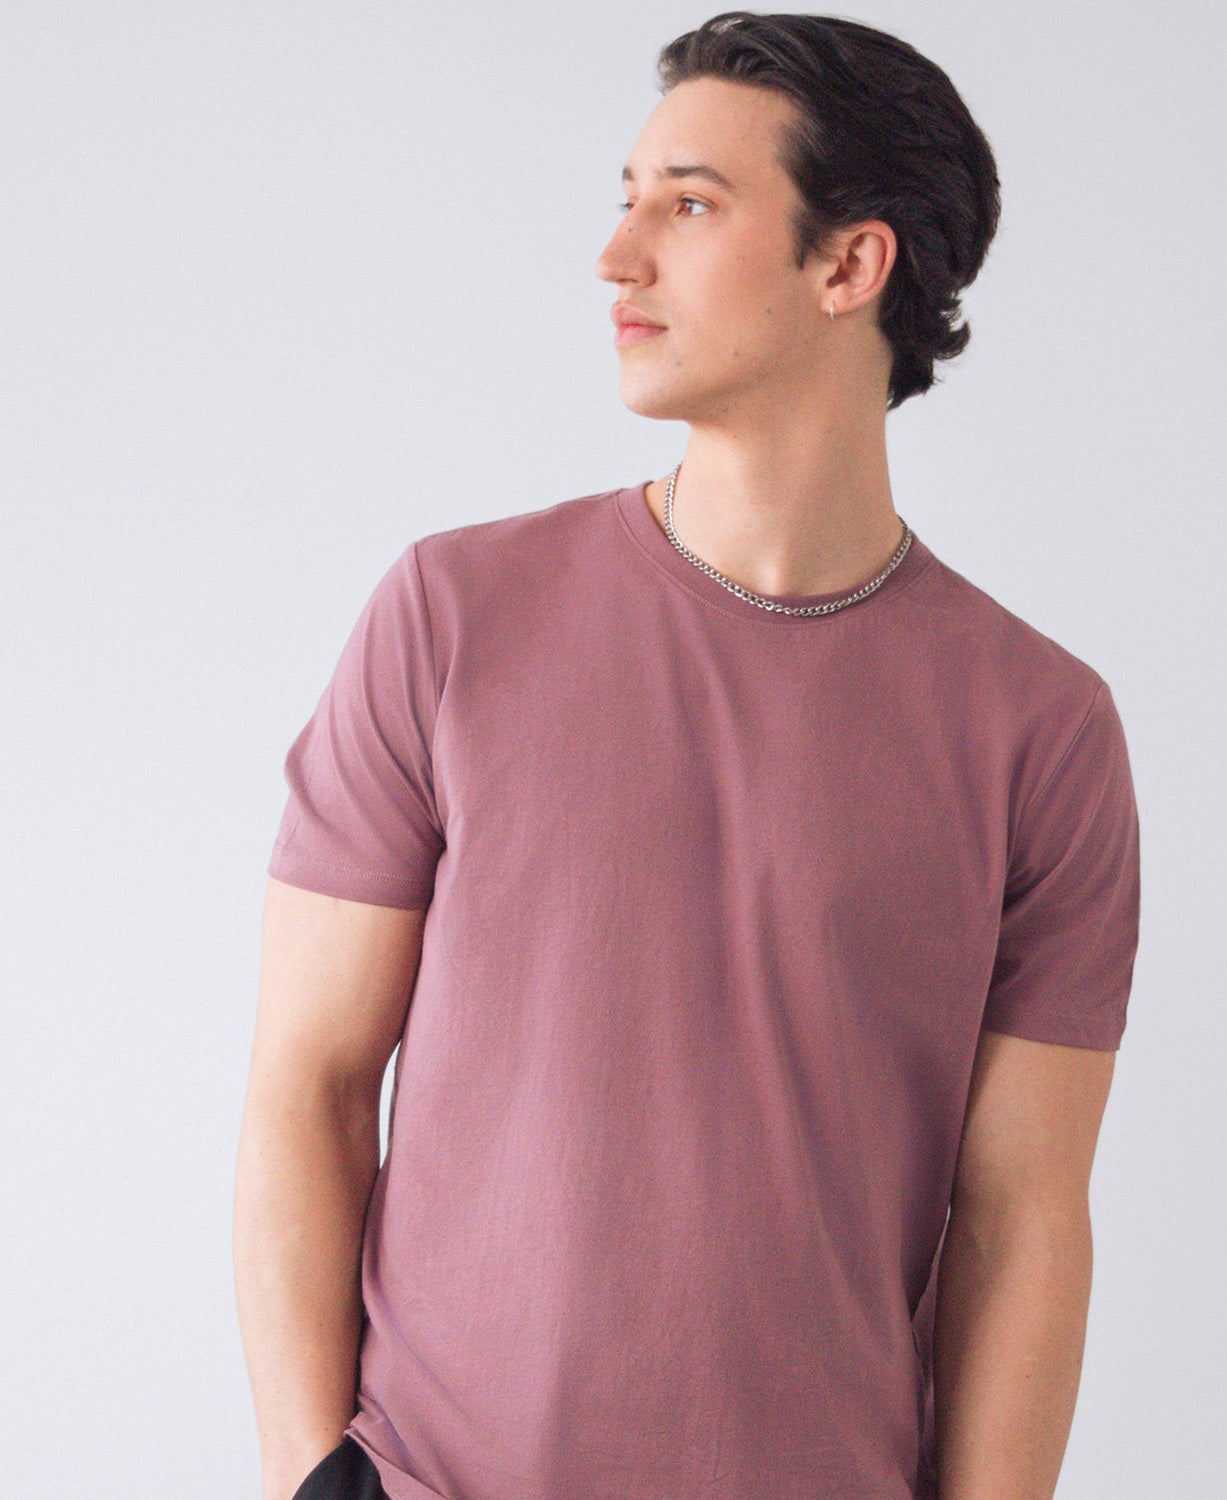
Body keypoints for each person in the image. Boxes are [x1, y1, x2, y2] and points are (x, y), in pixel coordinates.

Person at [233, 11, 1141, 1500]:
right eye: (629, 198)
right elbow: (310, 1083)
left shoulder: (1039, 730)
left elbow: (1023, 1218)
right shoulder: (453, 617)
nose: (618, 256)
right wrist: (308, 1478)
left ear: (850, 266)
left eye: (691, 205)